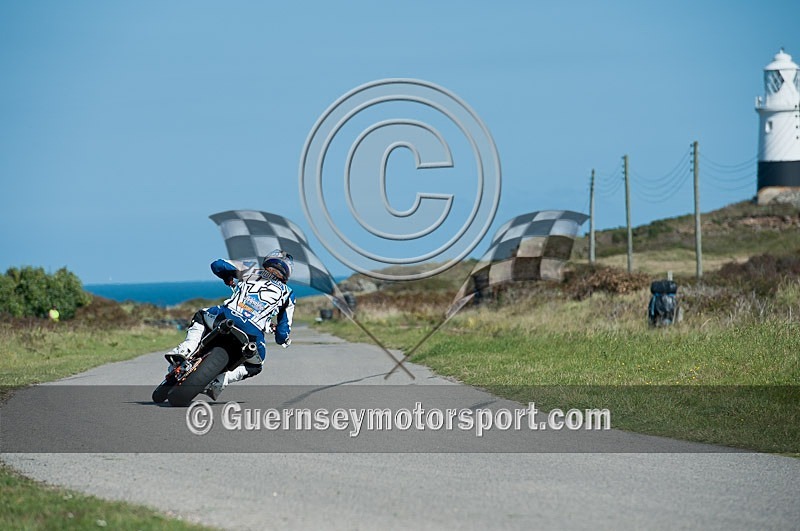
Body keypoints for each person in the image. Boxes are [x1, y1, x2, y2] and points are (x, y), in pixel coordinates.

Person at [169, 249, 295, 399]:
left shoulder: (250, 270)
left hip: (226, 317)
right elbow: (282, 334)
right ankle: (221, 380)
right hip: (253, 335)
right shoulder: (288, 294)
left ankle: (185, 349)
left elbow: (217, 265)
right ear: (287, 273)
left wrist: (227, 276)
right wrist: (283, 339)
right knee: (256, 366)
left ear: (268, 261)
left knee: (201, 315)